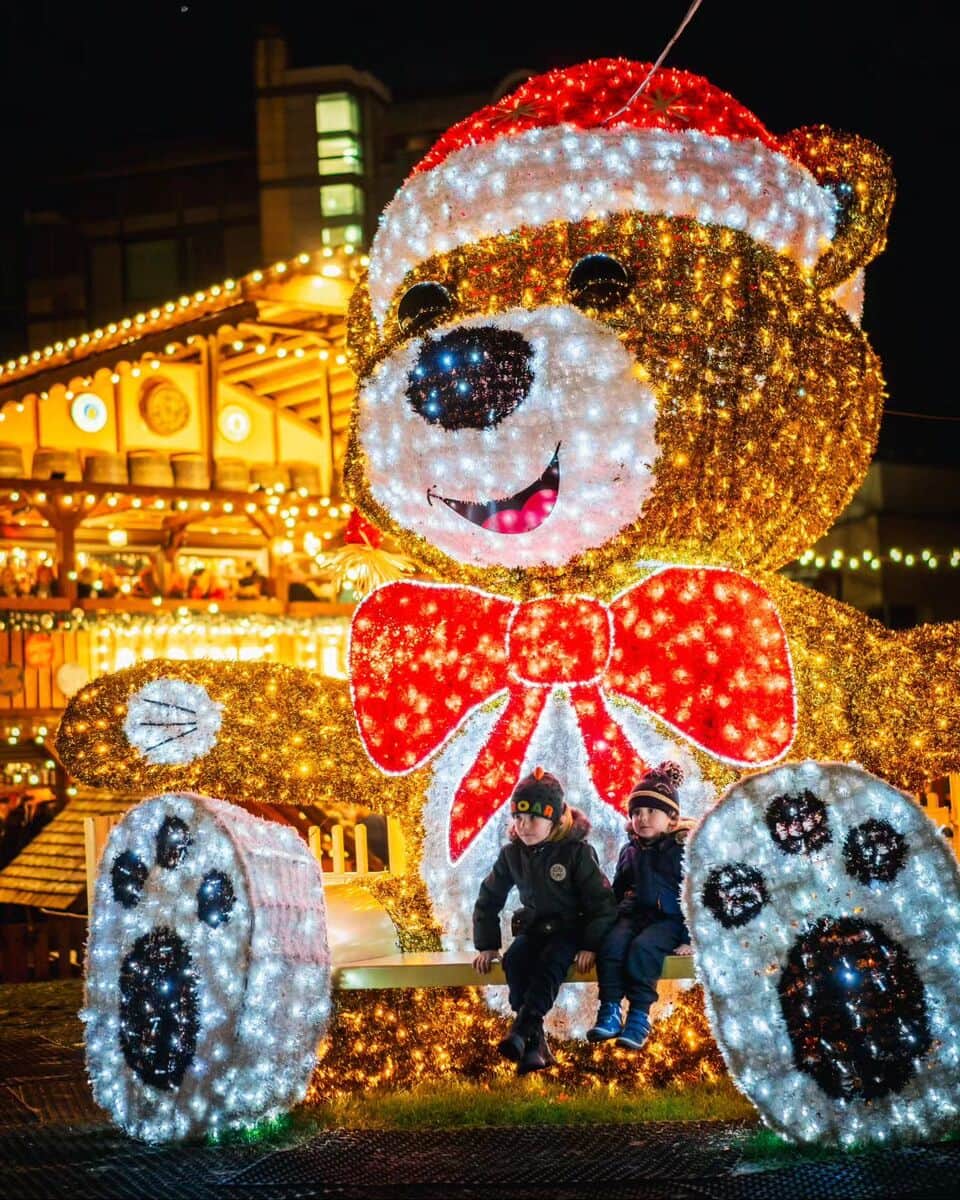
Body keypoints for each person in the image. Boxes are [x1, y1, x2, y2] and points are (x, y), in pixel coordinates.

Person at [473, 768, 616, 1074]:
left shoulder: (577, 852)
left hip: (571, 931)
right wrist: (487, 945)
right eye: (518, 818)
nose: (523, 825)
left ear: (554, 819)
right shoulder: (513, 854)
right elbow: (489, 897)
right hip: (536, 928)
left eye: (533, 819)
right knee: (515, 961)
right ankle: (531, 1041)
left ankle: (522, 1031)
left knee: (550, 964)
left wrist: (591, 944)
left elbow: (601, 902)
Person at [587, 761, 693, 1051]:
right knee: (611, 947)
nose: (642, 818)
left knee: (643, 950)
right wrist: (604, 926)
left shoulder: (682, 850)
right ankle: (609, 1010)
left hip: (667, 920)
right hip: (632, 914)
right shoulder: (629, 850)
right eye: (636, 812)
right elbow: (617, 890)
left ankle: (638, 1016)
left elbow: (694, 895)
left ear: (671, 818)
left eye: (651, 811)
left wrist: (688, 937)